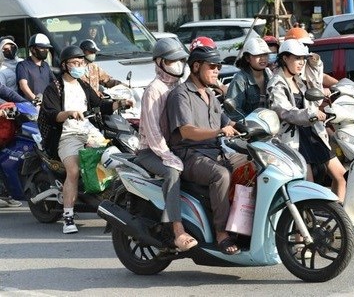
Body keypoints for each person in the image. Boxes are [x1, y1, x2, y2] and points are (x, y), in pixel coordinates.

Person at [38, 46, 133, 234]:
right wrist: (69, 113)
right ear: (64, 65)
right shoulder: (54, 88)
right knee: (73, 171)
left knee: (115, 160)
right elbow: (52, 114)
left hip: (89, 132)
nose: (79, 66)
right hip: (67, 136)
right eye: (75, 63)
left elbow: (100, 105)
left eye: (81, 63)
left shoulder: (83, 85)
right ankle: (68, 216)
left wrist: (120, 103)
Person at [165, 45, 240, 255]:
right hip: (190, 155)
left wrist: (256, 126)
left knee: (252, 164)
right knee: (221, 175)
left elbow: (228, 123)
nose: (217, 71)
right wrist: (218, 131)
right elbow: (187, 131)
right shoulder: (181, 95)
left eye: (219, 67)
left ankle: (242, 225)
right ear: (196, 67)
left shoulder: (210, 94)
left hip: (216, 152)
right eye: (212, 66)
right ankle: (221, 233)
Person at [134, 38, 198, 252]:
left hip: (175, 147)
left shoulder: (179, 85)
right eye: (172, 61)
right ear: (160, 62)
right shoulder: (154, 90)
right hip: (151, 151)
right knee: (172, 172)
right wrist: (167, 155)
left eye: (180, 60)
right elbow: (152, 131)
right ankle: (177, 229)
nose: (177, 65)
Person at [267, 39, 347, 201]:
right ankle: (309, 217)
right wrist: (311, 114)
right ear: (285, 58)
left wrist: (315, 63)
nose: (301, 62)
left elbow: (316, 91)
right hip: (294, 139)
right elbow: (285, 112)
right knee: (309, 186)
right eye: (297, 58)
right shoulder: (276, 84)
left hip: (313, 133)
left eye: (303, 58)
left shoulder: (299, 79)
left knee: (340, 176)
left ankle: (338, 214)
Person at [226, 37, 272, 121]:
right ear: (247, 58)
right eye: (257, 55)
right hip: (250, 126)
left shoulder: (269, 75)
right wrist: (250, 122)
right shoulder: (240, 79)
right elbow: (233, 112)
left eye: (265, 54)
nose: (262, 58)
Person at [284, 26, 338, 90]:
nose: (306, 48)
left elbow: (320, 76)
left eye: (307, 45)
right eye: (304, 44)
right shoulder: (282, 77)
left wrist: (339, 85)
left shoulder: (309, 61)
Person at [17, 33, 56, 102]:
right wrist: (36, 100)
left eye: (47, 48)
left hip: (45, 104)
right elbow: (23, 86)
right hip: (29, 105)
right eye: (42, 48)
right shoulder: (23, 65)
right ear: (32, 49)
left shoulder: (46, 65)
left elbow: (54, 83)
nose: (45, 50)